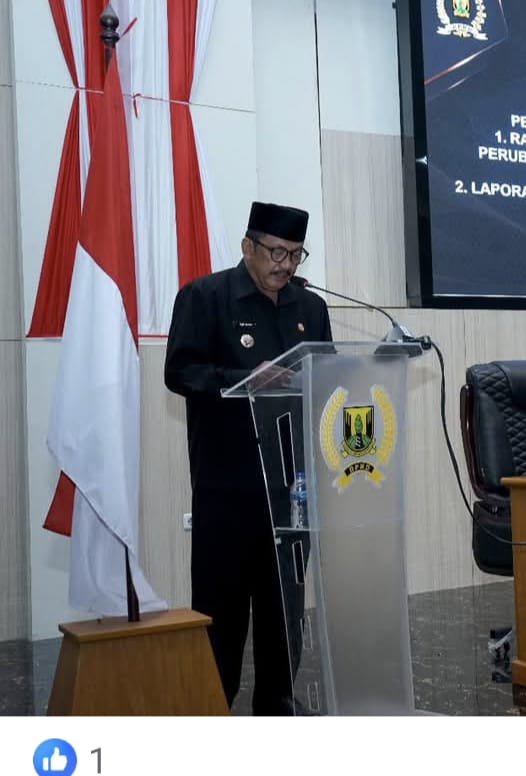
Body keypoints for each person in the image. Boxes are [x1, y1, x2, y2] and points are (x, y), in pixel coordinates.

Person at [164, 201, 332, 714]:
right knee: (223, 619)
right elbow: (180, 372)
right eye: (277, 252)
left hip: (292, 492)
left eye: (295, 255)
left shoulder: (311, 308)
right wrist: (241, 381)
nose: (286, 265)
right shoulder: (205, 297)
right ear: (247, 247)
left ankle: (276, 713)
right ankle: (213, 713)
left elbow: (327, 381)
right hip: (228, 492)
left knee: (283, 620)